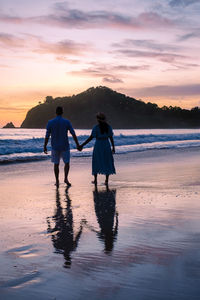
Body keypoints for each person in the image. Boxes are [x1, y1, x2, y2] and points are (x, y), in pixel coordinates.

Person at [44, 106, 80, 187]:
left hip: (55, 146)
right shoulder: (66, 122)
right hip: (65, 146)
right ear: (62, 112)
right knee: (66, 163)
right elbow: (73, 133)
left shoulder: (50, 122)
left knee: (56, 164)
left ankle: (57, 181)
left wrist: (45, 146)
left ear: (56, 112)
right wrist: (77, 144)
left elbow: (47, 135)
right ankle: (66, 178)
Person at [80, 112, 116, 185]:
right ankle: (106, 180)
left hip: (98, 145)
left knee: (96, 161)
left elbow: (91, 137)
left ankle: (95, 179)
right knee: (107, 161)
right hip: (106, 145)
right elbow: (111, 138)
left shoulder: (96, 127)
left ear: (98, 120)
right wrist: (113, 147)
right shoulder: (108, 127)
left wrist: (82, 145)